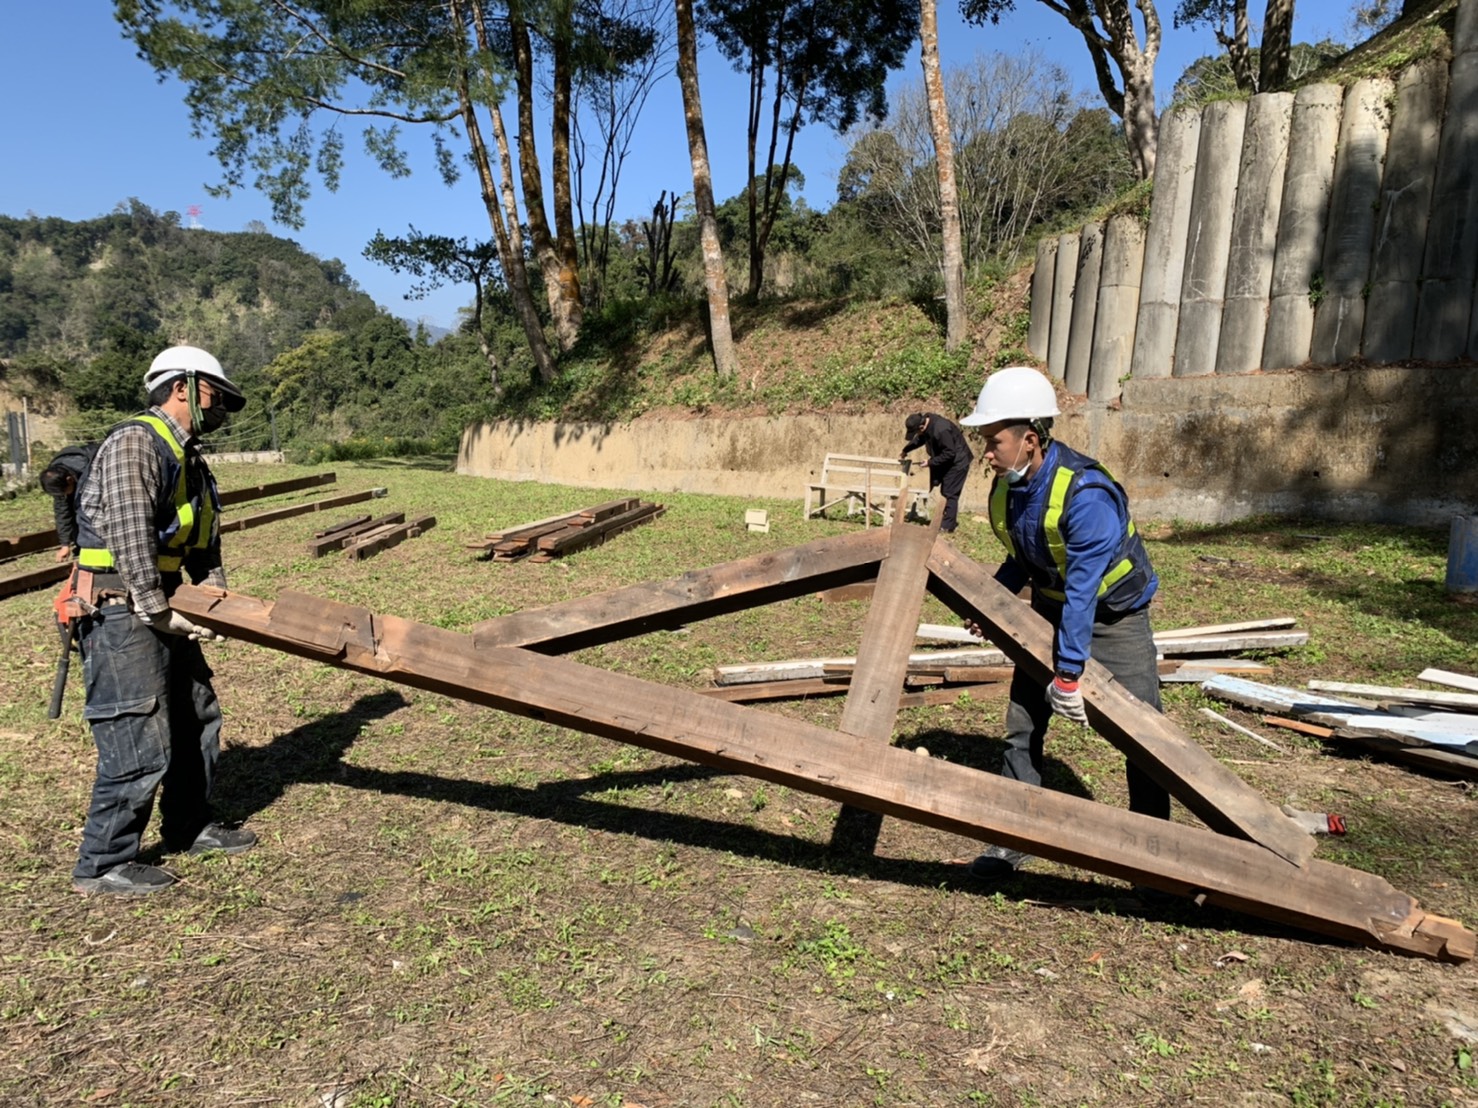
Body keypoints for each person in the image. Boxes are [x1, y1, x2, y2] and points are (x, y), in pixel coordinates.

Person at [958, 366, 1169, 880]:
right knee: (1023, 723)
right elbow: (1022, 556)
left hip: (1115, 617)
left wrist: (1069, 673)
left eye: (994, 441)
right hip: (1052, 609)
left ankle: (1157, 848)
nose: (986, 452)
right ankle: (1015, 832)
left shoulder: (1087, 494)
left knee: (1143, 734)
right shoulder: (1009, 488)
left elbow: (1083, 591)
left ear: (1030, 440)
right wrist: (995, 603)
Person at [69, 345, 256, 896]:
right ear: (185, 388)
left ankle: (188, 824)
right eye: (216, 396)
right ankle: (103, 863)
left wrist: (216, 599)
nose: (221, 407)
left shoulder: (187, 455)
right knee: (137, 730)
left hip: (165, 606)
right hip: (123, 612)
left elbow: (203, 539)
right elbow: (129, 536)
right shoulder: (136, 443)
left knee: (196, 716)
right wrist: (158, 610)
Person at [899, 411, 973, 533]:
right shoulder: (927, 424)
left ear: (922, 426)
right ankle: (945, 521)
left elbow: (950, 453)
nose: (917, 434)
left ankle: (947, 526)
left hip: (958, 462)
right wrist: (906, 450)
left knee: (950, 493)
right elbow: (920, 439)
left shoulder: (941, 429)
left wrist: (930, 462)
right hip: (949, 461)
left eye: (916, 431)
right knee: (946, 490)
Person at [38, 443, 100, 561]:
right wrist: (65, 545)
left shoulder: (93, 470)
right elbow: (62, 511)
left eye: (65, 492)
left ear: (69, 479)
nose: (64, 496)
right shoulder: (58, 477)